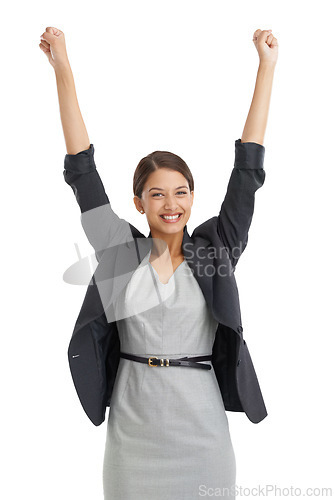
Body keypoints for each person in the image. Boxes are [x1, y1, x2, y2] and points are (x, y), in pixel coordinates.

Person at [39, 26, 278, 499]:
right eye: (157, 194)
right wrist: (63, 68)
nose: (171, 204)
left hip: (202, 433)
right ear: (139, 203)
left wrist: (266, 68)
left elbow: (247, 174)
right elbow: (82, 173)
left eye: (181, 192)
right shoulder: (119, 253)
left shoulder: (216, 251)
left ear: (192, 198)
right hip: (134, 433)